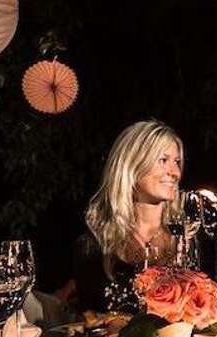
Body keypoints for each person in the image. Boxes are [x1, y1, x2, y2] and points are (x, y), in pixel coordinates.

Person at [71, 119, 185, 312]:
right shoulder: (94, 245)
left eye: (177, 162)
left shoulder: (190, 237)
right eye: (163, 160)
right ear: (132, 165)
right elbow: (89, 322)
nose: (175, 172)